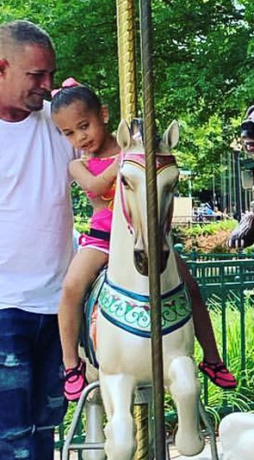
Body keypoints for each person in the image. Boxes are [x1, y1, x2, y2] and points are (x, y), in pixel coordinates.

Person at [50, 80, 237, 400]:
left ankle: (211, 357)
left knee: (189, 285)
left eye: (84, 126)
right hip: (102, 240)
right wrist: (125, 161)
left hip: (146, 238)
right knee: (71, 288)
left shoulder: (135, 154)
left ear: (103, 115)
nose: (80, 137)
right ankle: (71, 363)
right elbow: (95, 185)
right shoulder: (78, 164)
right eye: (69, 133)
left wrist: (137, 156)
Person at [0, 20, 74, 460]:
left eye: (50, 75)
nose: (47, 86)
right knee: (10, 437)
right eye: (36, 76)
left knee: (46, 430)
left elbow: (113, 159)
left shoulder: (60, 123)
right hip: (4, 304)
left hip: (58, 304)